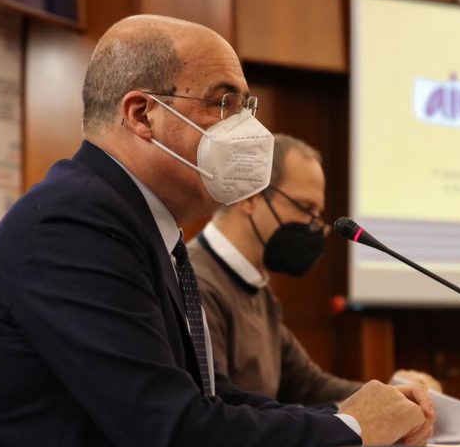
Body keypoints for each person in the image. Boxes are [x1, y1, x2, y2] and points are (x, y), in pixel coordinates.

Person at [0, 15, 433, 447]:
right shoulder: (75, 222)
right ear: (142, 115)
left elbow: (209, 398)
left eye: (246, 106)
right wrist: (350, 427)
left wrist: (351, 413)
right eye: (222, 103)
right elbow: (175, 432)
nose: (245, 128)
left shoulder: (136, 224)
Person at [188, 133, 441, 405]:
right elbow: (223, 411)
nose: (315, 226)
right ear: (249, 197)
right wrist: (353, 416)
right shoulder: (196, 284)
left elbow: (308, 385)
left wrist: (392, 396)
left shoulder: (254, 286)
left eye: (318, 213)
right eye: (306, 207)